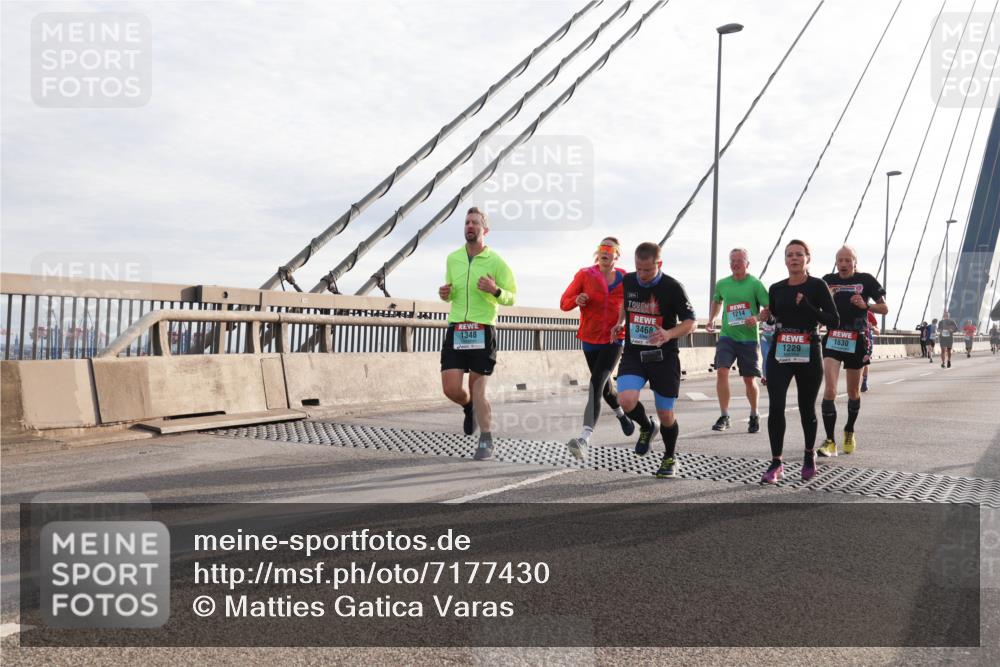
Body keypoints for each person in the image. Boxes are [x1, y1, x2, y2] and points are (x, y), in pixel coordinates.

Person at [610, 242, 696, 479]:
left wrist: (668, 334)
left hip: (663, 357)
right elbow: (625, 305)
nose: (642, 275)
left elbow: (691, 322)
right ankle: (647, 427)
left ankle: (669, 456)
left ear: (659, 264)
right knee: (625, 400)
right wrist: (621, 323)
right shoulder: (629, 280)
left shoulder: (673, 287)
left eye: (647, 270)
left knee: (665, 413)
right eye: (638, 269)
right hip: (635, 353)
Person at [438, 207, 517, 460]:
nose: (470, 226)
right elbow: (450, 292)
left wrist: (495, 291)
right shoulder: (453, 258)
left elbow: (511, 298)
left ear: (485, 230)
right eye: (467, 222)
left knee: (478, 387)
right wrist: (444, 294)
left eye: (475, 223)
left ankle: (486, 439)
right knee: (451, 389)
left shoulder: (496, 262)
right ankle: (467, 406)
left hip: (483, 330)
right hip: (457, 329)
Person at [758, 240, 839, 484]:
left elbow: (833, 321)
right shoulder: (777, 288)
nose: (794, 259)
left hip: (808, 349)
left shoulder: (817, 286)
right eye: (790, 255)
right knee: (775, 406)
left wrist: (808, 306)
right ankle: (776, 462)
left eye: (799, 255)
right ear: (785, 260)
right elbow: (774, 318)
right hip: (781, 349)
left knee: (806, 408)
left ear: (807, 259)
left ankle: (808, 455)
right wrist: (767, 316)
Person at [560, 237, 635, 460]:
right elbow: (564, 303)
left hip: (614, 338)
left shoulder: (625, 278)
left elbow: (633, 305)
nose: (605, 252)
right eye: (602, 248)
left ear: (617, 255)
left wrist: (623, 323)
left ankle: (584, 438)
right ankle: (621, 415)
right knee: (604, 388)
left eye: (610, 249)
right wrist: (577, 299)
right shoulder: (585, 274)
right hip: (590, 339)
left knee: (596, 383)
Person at [817, 247, 888, 458]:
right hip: (833, 338)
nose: (844, 263)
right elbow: (815, 309)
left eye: (848, 260)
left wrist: (866, 305)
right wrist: (823, 301)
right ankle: (830, 441)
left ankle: (849, 430)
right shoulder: (827, 281)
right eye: (840, 260)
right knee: (829, 389)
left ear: (855, 262)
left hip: (856, 339)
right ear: (836, 262)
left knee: (853, 392)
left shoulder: (866, 280)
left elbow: (884, 309)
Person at [706, 248, 769, 434]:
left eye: (739, 261)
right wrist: (711, 319)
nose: (735, 264)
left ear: (747, 264)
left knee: (749, 380)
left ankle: (754, 414)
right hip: (727, 336)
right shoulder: (723, 284)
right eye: (732, 261)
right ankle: (724, 415)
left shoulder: (756, 284)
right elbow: (717, 301)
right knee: (722, 371)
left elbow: (769, 308)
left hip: (748, 339)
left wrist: (756, 318)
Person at [861, 310, 879, 393]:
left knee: (865, 362)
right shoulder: (848, 310)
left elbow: (878, 332)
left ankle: (864, 382)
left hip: (866, 341)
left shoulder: (869, 314)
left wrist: (872, 328)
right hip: (853, 340)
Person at [759, 319, 775, 386]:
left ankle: (775, 376)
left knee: (774, 359)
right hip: (765, 339)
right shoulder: (763, 315)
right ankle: (765, 377)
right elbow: (759, 328)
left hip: (775, 339)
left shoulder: (778, 314)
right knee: (766, 357)